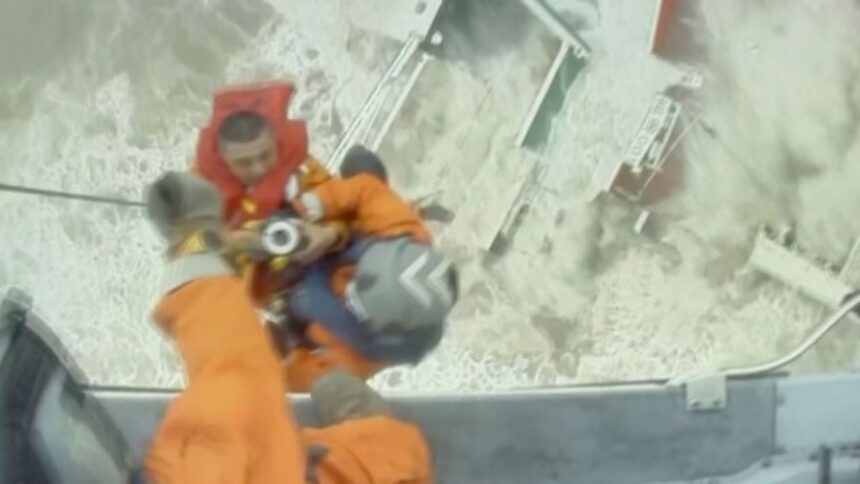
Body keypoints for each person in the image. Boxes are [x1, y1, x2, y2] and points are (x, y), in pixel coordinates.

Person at [143, 171, 433, 483]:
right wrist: (318, 218)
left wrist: (200, 247)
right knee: (358, 415)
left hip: (281, 310)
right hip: (367, 458)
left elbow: (241, 377)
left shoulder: (358, 356)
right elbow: (364, 188)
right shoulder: (406, 235)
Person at [279, 146, 460, 392]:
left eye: (357, 300)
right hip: (335, 245)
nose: (348, 289)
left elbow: (288, 379)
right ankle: (403, 209)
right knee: (361, 163)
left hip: (298, 301)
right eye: (357, 277)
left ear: (382, 328)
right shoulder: (405, 231)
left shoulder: (352, 363)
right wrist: (312, 206)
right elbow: (367, 190)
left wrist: (275, 350)